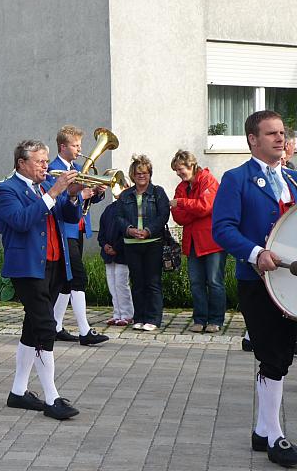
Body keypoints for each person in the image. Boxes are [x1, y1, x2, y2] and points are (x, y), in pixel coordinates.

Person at [213, 110, 297, 467]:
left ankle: (263, 431)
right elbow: (223, 228)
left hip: (291, 283)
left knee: (283, 354)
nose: (281, 139)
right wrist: (255, 252)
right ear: (253, 139)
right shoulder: (236, 180)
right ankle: (275, 436)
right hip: (258, 283)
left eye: (282, 133)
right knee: (274, 356)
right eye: (272, 134)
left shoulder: (294, 179)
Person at [0, 139, 82, 420]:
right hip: (28, 268)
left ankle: (18, 392)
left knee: (33, 329)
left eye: (46, 161)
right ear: (22, 163)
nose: (46, 166)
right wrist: (54, 192)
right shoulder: (6, 190)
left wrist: (72, 195)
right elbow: (20, 221)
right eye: (40, 161)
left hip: (55, 264)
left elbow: (70, 217)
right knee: (46, 327)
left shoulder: (44, 188)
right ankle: (52, 397)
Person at [48, 125, 109, 346]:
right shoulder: (53, 169)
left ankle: (55, 326)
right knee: (78, 278)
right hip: (65, 230)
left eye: (80, 145)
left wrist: (96, 194)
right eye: (75, 145)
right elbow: (61, 202)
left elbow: (84, 200)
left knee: (66, 282)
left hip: (80, 227)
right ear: (63, 146)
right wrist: (81, 195)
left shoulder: (76, 168)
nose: (80, 149)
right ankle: (84, 330)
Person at [170, 150, 226, 333]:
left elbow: (206, 206)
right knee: (196, 282)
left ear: (191, 165)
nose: (178, 173)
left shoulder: (208, 180)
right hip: (193, 241)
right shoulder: (182, 187)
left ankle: (216, 320)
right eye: (176, 170)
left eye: (180, 169)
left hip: (212, 241)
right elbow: (178, 217)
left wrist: (184, 204)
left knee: (214, 281)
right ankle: (200, 319)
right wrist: (192, 210)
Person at [116, 154, 170, 332]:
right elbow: (118, 218)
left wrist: (148, 231)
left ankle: (153, 319)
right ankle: (139, 317)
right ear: (133, 175)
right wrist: (130, 229)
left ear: (150, 174)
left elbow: (163, 215)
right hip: (131, 243)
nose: (142, 176)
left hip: (153, 242)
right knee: (137, 282)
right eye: (138, 173)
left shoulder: (158, 192)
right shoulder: (125, 195)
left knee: (153, 282)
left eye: (145, 173)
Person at [98, 184, 134, 326]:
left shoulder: (128, 208)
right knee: (112, 284)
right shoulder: (109, 209)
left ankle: (127, 314)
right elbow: (101, 232)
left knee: (121, 284)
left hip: (122, 254)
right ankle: (117, 313)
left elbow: (126, 231)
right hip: (109, 255)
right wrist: (104, 245)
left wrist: (116, 248)